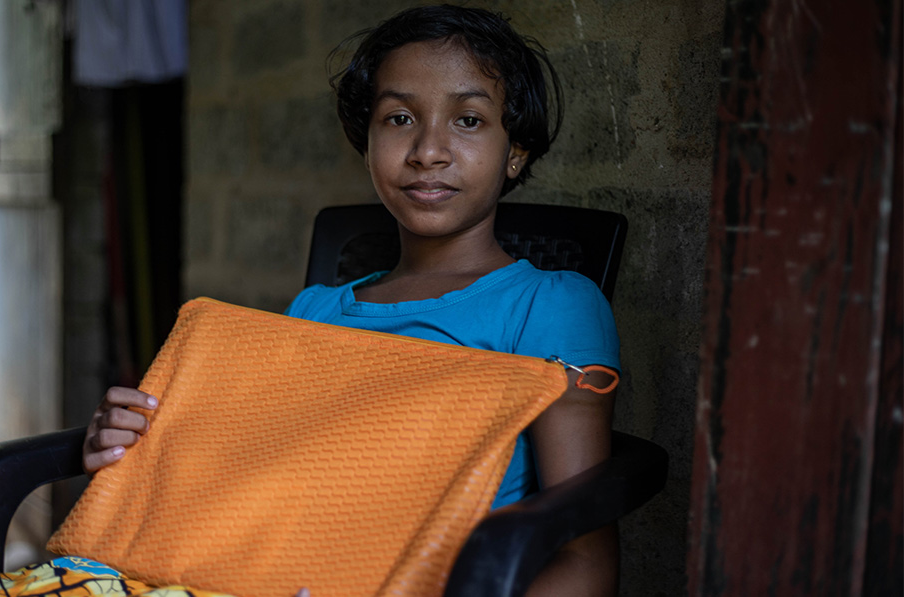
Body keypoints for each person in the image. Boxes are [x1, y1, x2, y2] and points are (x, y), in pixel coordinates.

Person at [86, 5, 620, 596]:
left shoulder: (551, 305)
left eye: (468, 120)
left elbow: (584, 558)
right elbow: (258, 486)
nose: (427, 150)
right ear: (366, 146)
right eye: (398, 118)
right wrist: (135, 452)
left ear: (515, 151)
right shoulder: (314, 312)